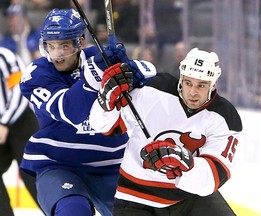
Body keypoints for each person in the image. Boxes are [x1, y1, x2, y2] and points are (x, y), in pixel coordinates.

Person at [19, 8, 156, 216]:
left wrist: (132, 71)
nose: (57, 54)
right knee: (73, 212)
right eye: (51, 46)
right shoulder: (36, 74)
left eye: (64, 46)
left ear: (80, 43)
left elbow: (147, 79)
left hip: (112, 164)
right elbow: (71, 111)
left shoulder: (98, 58)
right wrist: (96, 75)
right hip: (59, 164)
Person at [89, 48, 243, 215]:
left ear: (213, 84)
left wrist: (185, 161)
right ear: (182, 77)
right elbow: (105, 127)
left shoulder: (225, 116)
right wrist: (105, 101)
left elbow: (214, 177)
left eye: (201, 85)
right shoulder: (154, 89)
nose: (192, 92)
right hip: (136, 198)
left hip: (188, 199)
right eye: (188, 83)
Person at [0, 46, 40, 216]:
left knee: (33, 177)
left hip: (20, 123)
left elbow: (20, 89)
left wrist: (4, 122)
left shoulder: (4, 56)